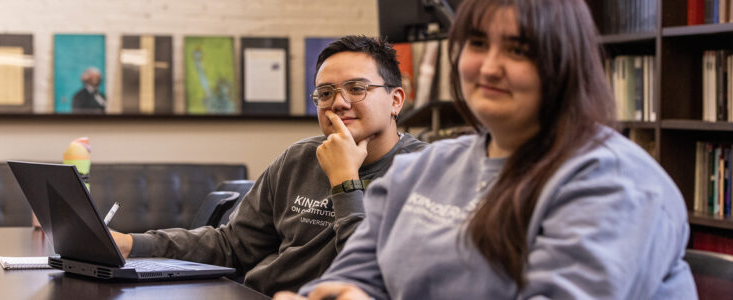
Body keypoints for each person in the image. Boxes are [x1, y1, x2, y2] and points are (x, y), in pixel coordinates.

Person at [276, 1, 697, 299]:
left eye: (517, 49)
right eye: (477, 44)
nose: (490, 66)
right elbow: (351, 277)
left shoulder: (618, 184)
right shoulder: (427, 167)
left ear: (563, 61)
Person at [110, 35, 428, 296]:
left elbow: (371, 274)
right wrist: (132, 243)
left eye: (357, 88)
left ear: (396, 100)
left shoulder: (423, 170)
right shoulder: (298, 157)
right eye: (326, 93)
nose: (338, 102)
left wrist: (344, 180)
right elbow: (231, 245)